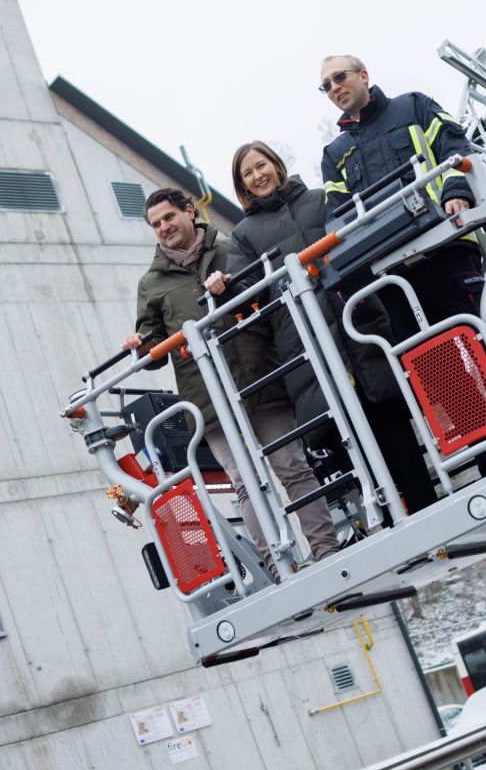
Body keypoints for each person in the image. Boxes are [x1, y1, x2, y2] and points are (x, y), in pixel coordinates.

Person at [317, 54, 486, 473]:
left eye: (339, 77)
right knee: (435, 362)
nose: (334, 88)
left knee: (479, 340)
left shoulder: (414, 106)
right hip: (395, 272)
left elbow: (454, 149)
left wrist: (458, 192)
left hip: (447, 246)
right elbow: (337, 215)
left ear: (364, 74)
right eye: (325, 85)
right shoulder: (336, 153)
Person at [205, 142, 438, 515]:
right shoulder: (246, 233)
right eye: (247, 174)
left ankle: (428, 512)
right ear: (243, 186)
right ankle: (391, 524)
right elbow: (245, 291)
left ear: (277, 167)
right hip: (307, 344)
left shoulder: (319, 200)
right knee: (353, 447)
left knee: (394, 428)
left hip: (356, 322)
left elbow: (357, 238)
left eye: (261, 165)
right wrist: (222, 285)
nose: (257, 176)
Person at [123, 187, 338, 564]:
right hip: (208, 396)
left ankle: (327, 550)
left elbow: (266, 297)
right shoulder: (151, 283)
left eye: (169, 217)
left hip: (260, 376)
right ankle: (280, 567)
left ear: (190, 211)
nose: (163, 227)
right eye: (155, 224)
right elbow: (154, 347)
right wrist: (141, 346)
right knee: (246, 484)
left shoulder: (230, 248)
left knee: (292, 466)